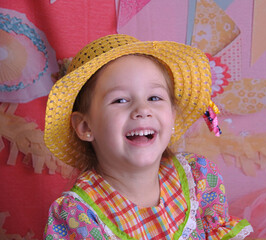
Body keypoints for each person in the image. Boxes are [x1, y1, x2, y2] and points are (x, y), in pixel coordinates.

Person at [43, 34, 253, 239]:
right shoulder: (79, 215)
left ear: (172, 115)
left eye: (154, 97)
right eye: (120, 100)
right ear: (85, 126)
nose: (143, 109)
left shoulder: (198, 176)